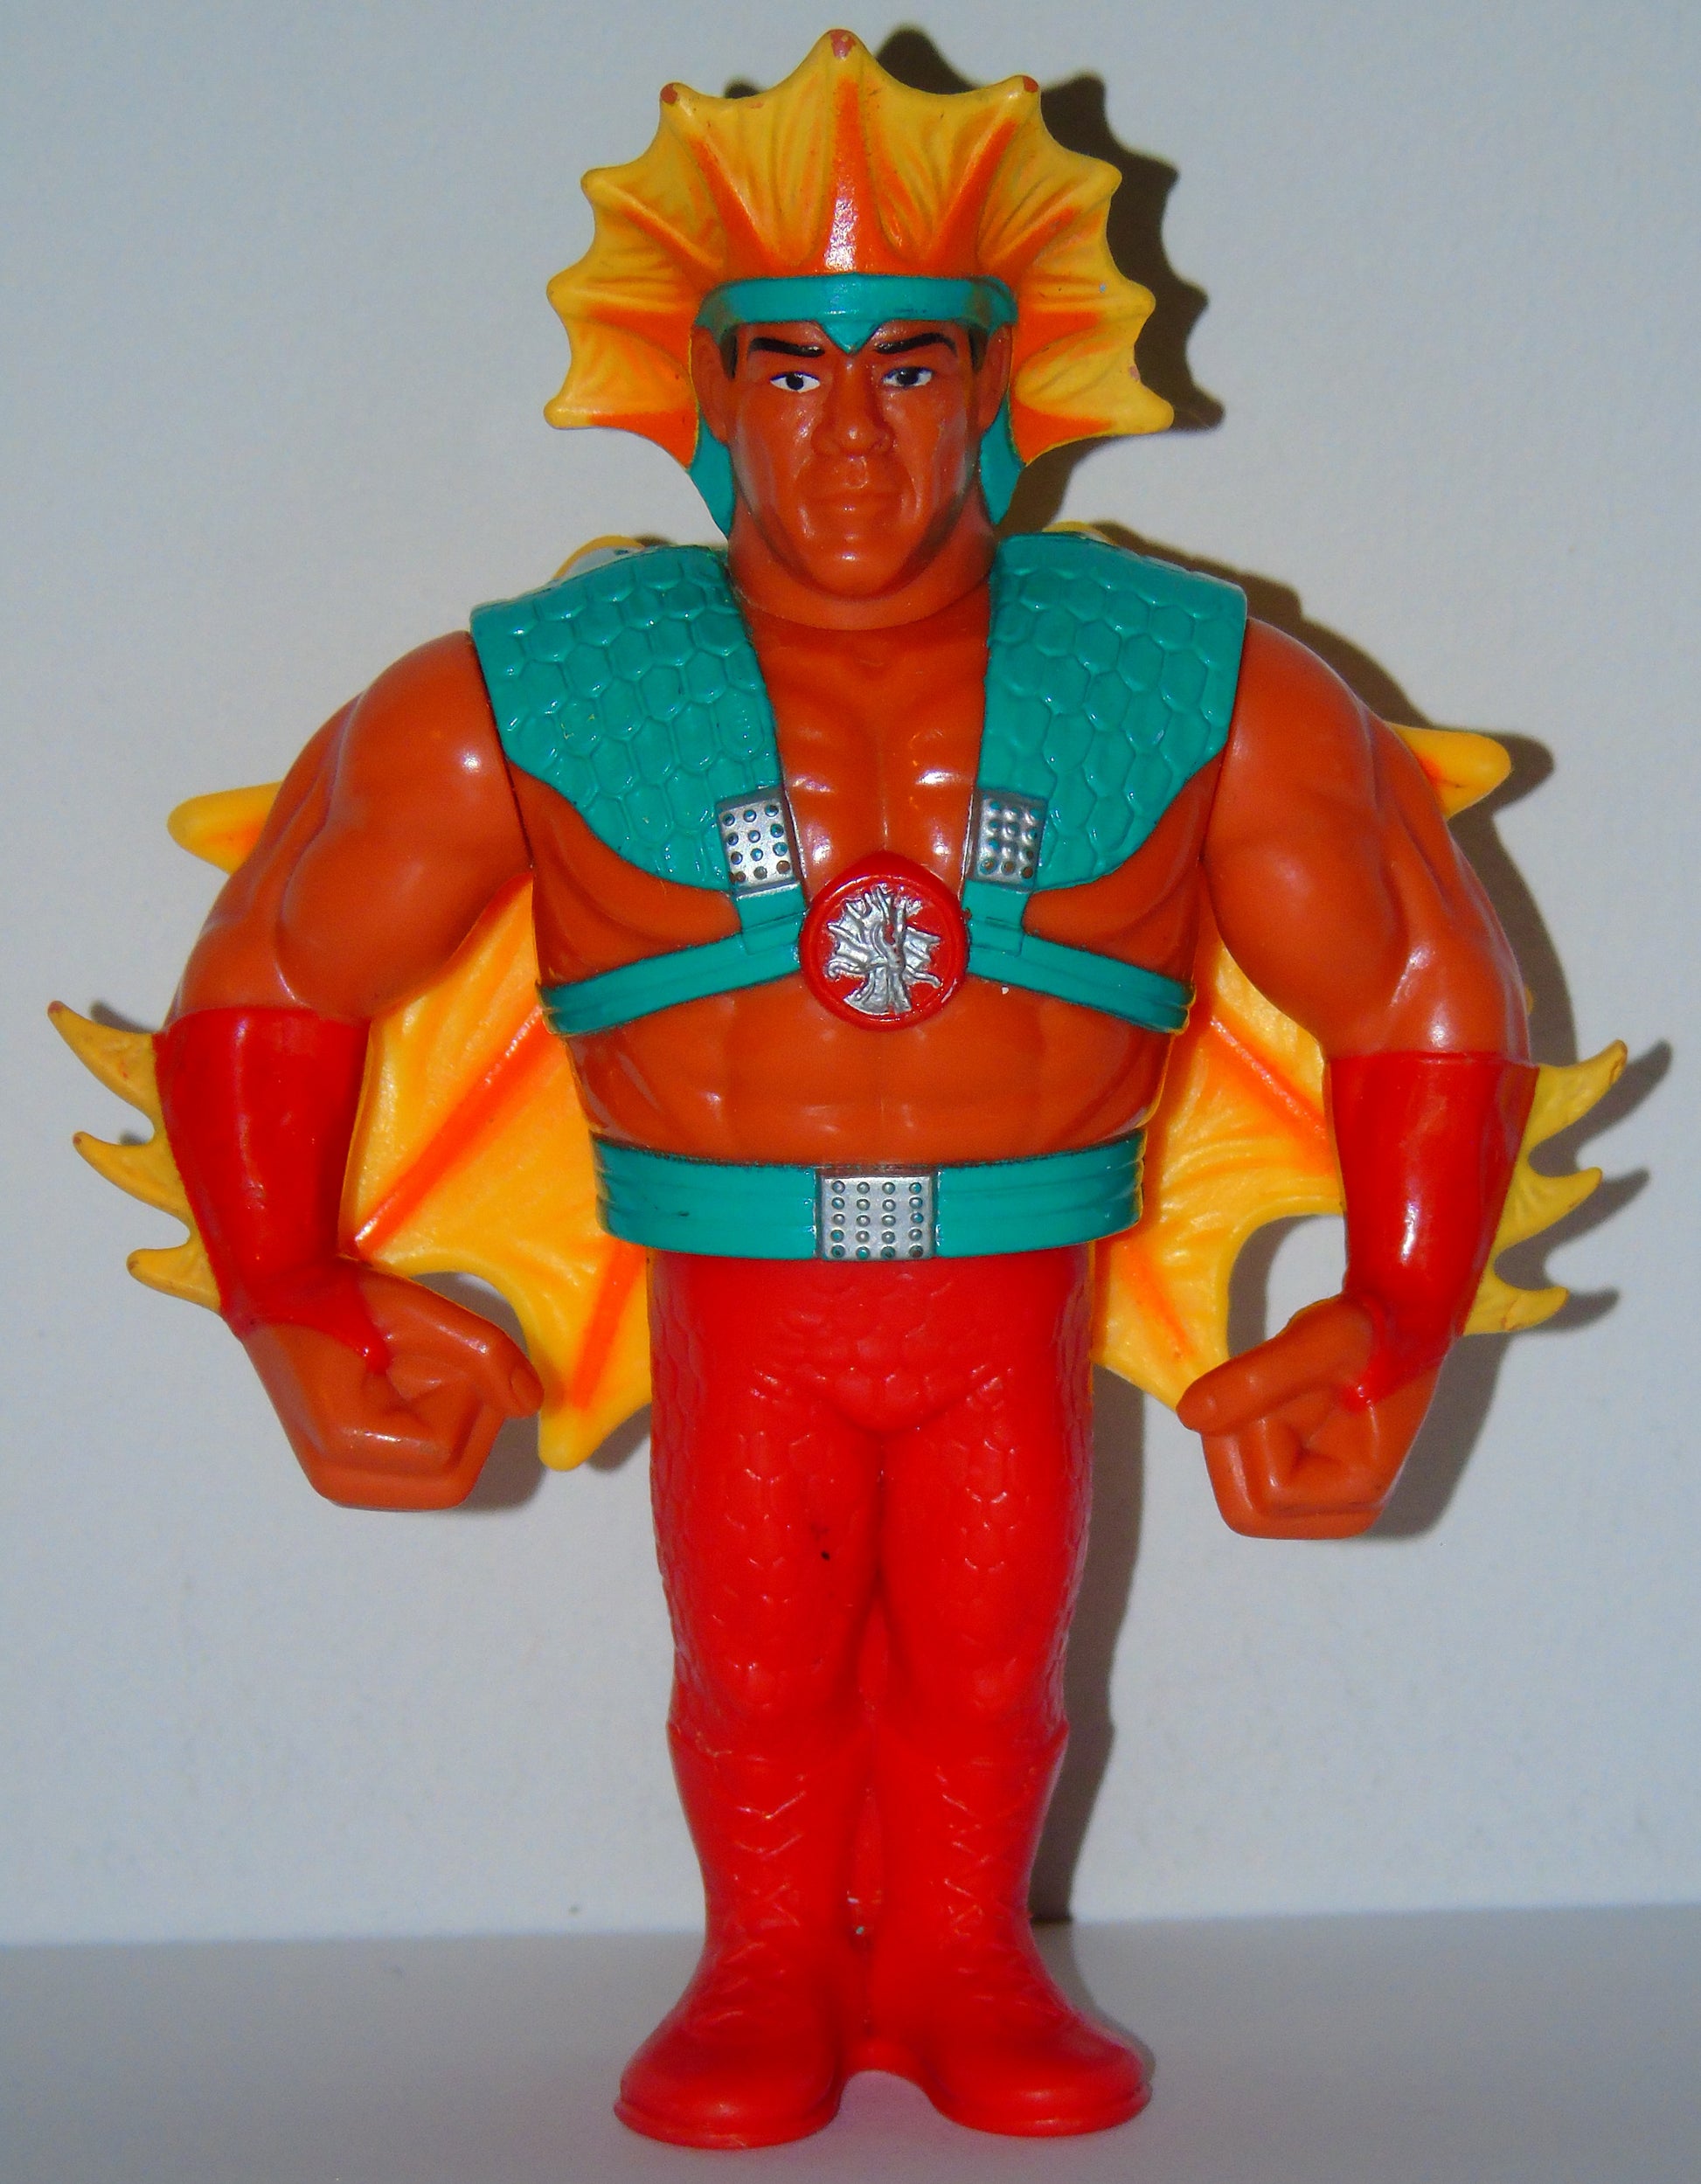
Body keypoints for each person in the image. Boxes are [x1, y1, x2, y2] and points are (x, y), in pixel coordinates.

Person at [144, 34, 1535, 2150]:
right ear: (706, 398)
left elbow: (1420, 968)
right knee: (759, 1664)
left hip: (1014, 1299)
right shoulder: (537, 689)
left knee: (993, 1663)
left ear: (996, 387)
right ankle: (766, 1962)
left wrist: (1406, 1301)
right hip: (744, 1306)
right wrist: (286, 1286)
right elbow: (271, 956)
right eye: (791, 368)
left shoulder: (1194, 676)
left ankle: (969, 1957)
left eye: (908, 366)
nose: (852, 434)